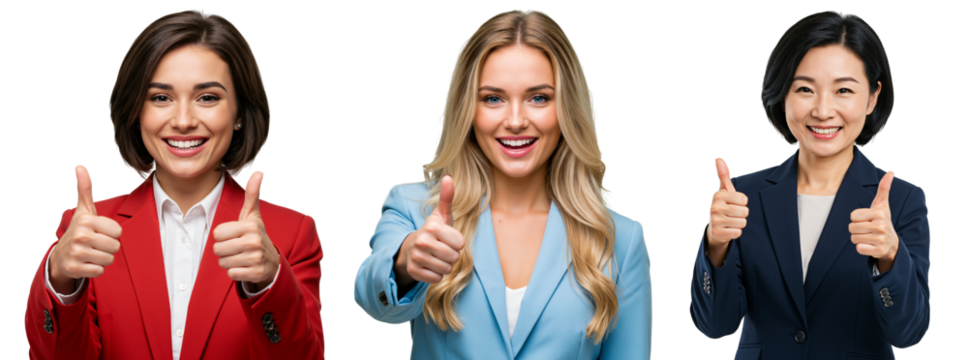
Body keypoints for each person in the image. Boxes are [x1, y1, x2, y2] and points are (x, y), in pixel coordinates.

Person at [24, 7, 325, 360]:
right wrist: (60, 277)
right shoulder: (87, 229)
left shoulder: (291, 234)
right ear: (136, 112)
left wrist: (269, 283)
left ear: (240, 113)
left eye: (208, 97)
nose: (183, 121)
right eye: (160, 98)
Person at [353, 7, 651, 359]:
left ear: (566, 109)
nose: (515, 120)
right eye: (493, 98)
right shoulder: (415, 208)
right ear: (469, 109)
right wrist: (404, 265)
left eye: (538, 97)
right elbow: (374, 302)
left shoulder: (621, 240)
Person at [689, 9, 929, 359]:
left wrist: (890, 257)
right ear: (783, 94)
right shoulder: (741, 198)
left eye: (843, 89)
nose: (822, 110)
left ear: (872, 98)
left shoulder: (903, 200)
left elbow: (908, 334)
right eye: (805, 89)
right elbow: (714, 326)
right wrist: (715, 245)